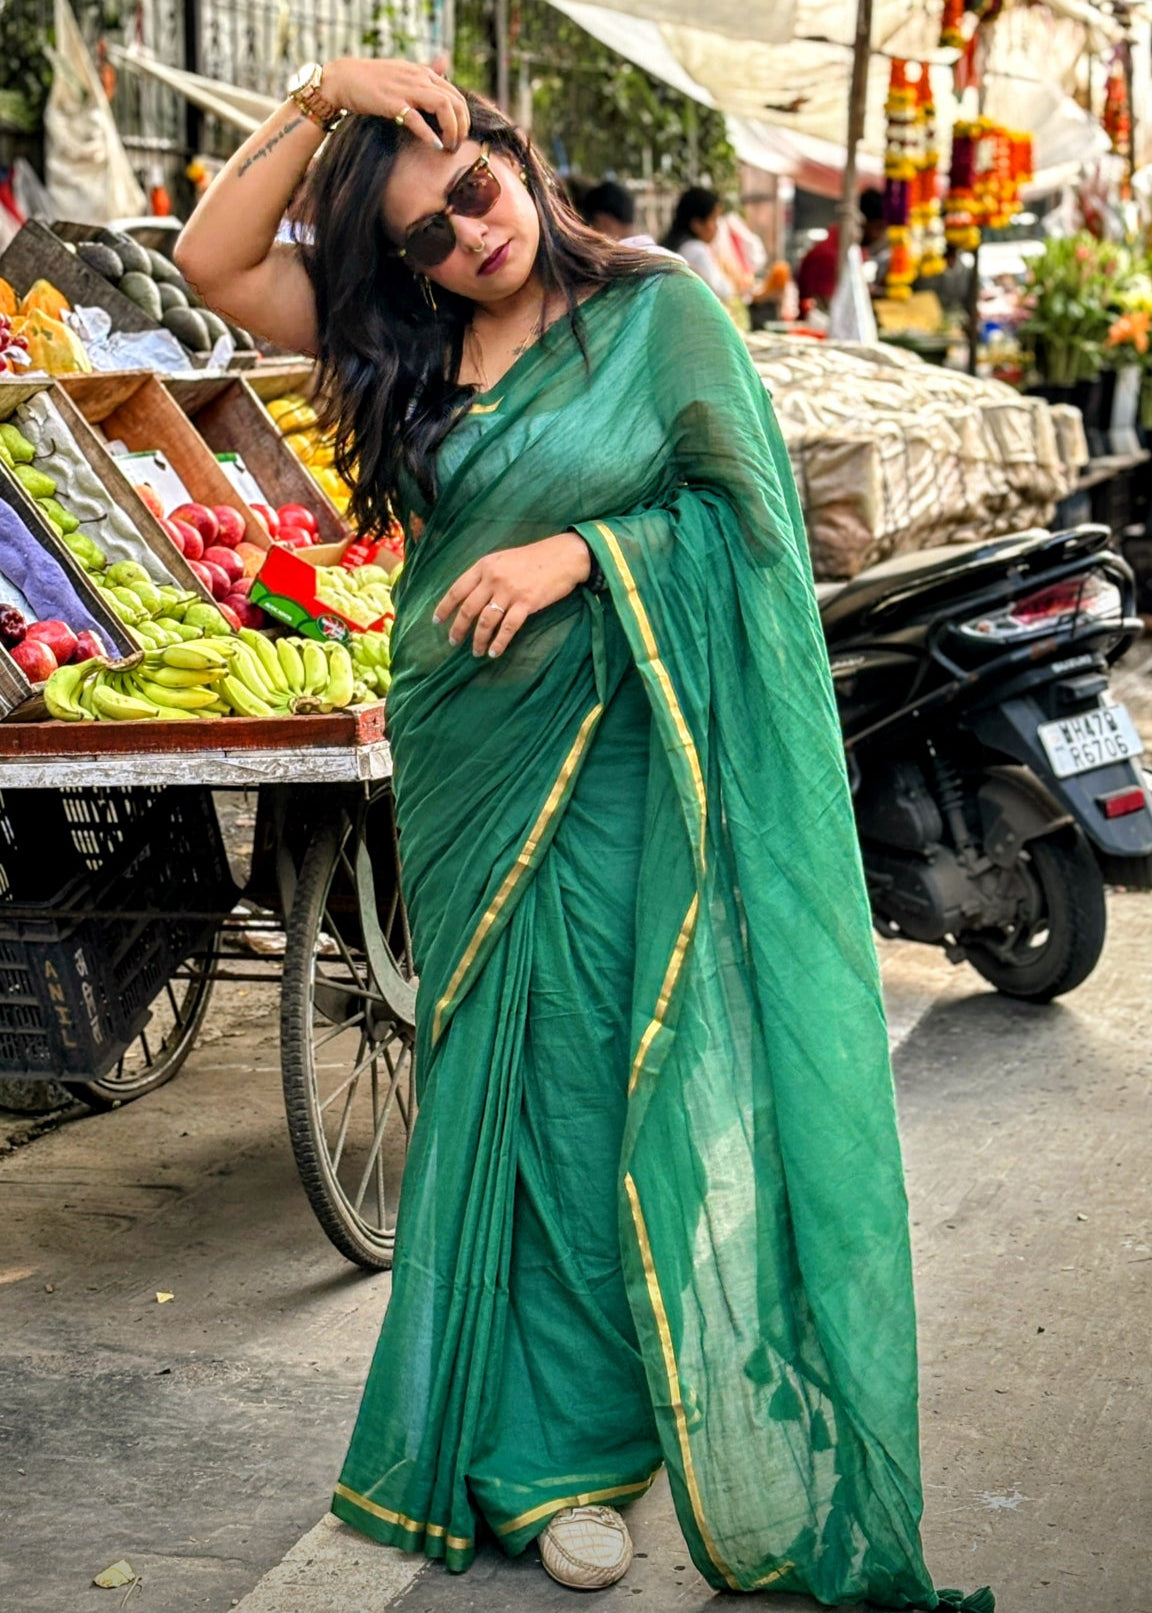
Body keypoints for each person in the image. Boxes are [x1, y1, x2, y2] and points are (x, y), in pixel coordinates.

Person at [175, 59, 991, 1610]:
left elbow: (747, 529)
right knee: (499, 1086)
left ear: (513, 152)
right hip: (470, 757)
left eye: (471, 195)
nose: (463, 243)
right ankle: (528, 1448)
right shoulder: (401, 341)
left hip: (630, 762)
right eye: (421, 237)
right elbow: (211, 266)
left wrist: (581, 552)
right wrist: (320, 91)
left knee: (609, 1086)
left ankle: (589, 1438)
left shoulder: (662, 313)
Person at [796, 186, 886, 308]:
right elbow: (832, 308)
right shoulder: (830, 255)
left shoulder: (854, 251)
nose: (880, 236)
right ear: (862, 223)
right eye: (879, 228)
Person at [661, 185, 733, 299]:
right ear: (697, 224)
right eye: (713, 219)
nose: (716, 227)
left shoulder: (674, 246)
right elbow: (723, 291)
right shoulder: (695, 250)